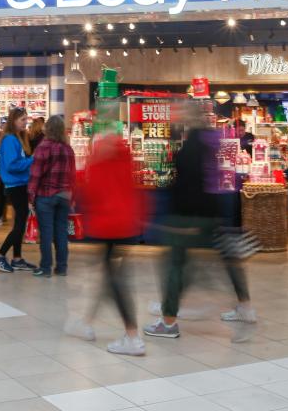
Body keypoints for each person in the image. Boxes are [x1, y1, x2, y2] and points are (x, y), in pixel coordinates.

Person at [144, 104, 253, 341]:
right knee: (226, 260)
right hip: (213, 212)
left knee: (175, 265)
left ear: (188, 119)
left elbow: (185, 186)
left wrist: (168, 217)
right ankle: (244, 306)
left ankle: (169, 321)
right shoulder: (212, 143)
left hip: (188, 216)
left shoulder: (190, 148)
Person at [69, 127, 145, 355]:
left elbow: (92, 192)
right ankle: (86, 323)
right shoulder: (125, 156)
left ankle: (132, 336)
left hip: (106, 226)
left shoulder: (98, 159)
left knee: (115, 281)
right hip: (127, 225)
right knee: (109, 275)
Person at [27, 116, 76, 278]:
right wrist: (72, 196)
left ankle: (45, 268)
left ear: (47, 129)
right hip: (64, 195)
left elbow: (35, 175)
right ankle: (62, 267)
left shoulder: (43, 148)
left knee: (46, 233)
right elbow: (73, 175)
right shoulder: (68, 149)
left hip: (46, 195)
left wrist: (31, 196)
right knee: (61, 232)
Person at [0, 108, 37, 273]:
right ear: (14, 121)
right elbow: (12, 165)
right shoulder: (10, 140)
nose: (26, 122)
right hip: (15, 185)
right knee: (20, 225)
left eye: (26, 119)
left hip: (18, 184)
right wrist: (32, 161)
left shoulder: (15, 138)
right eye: (22, 119)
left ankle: (17, 258)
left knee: (20, 222)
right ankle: (0, 254)